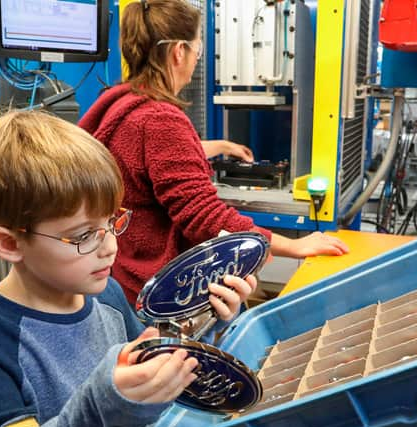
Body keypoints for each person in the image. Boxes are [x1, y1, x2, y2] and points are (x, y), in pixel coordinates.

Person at [0, 111, 256, 427]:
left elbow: (145, 363)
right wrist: (110, 404)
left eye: (112, 222)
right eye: (84, 235)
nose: (109, 247)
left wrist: (207, 321)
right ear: (9, 243)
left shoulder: (103, 295)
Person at [79, 0, 349, 304]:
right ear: (179, 51)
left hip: (121, 276)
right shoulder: (159, 119)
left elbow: (145, 157)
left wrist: (221, 146)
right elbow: (204, 217)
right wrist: (292, 245)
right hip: (154, 289)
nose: (196, 60)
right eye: (198, 50)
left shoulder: (121, 103)